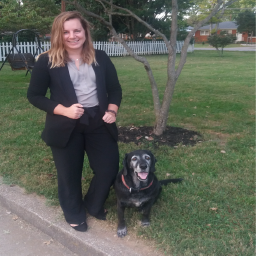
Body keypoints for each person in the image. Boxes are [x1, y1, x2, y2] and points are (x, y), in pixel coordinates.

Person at [27, 11, 122, 232]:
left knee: (108, 169)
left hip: (99, 121)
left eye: (77, 30)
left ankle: (92, 203)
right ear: (58, 35)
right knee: (69, 173)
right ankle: (74, 212)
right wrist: (64, 111)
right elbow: (35, 96)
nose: (72, 36)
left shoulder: (101, 57)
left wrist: (112, 110)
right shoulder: (46, 60)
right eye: (66, 32)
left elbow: (115, 89)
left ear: (85, 31)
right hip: (65, 124)